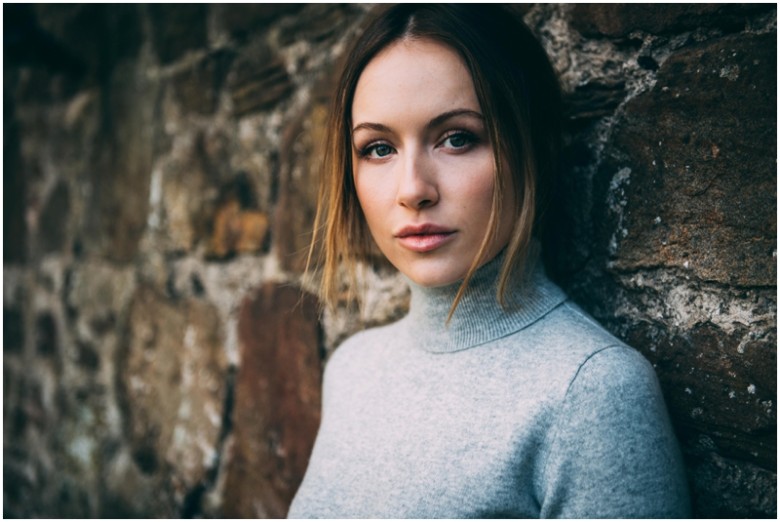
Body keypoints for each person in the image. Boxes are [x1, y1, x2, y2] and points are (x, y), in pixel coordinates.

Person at [288, 4, 690, 518]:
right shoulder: (351, 368)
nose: (413, 190)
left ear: (531, 149)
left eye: (458, 138)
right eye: (379, 148)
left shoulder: (593, 392)